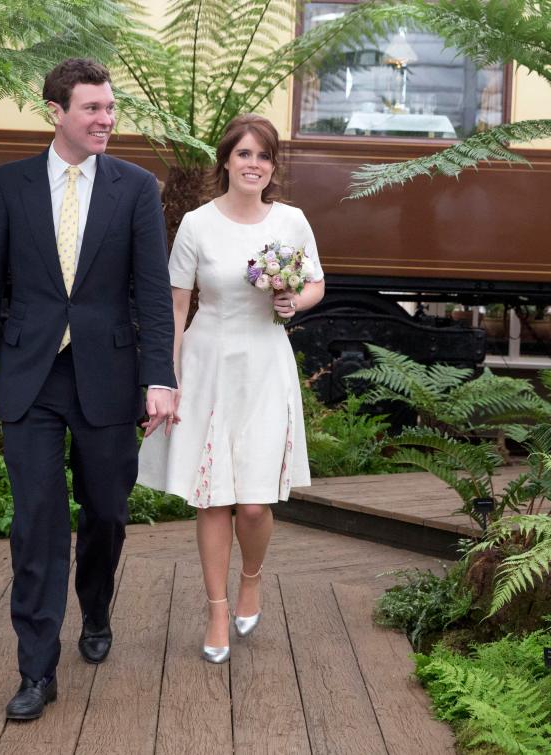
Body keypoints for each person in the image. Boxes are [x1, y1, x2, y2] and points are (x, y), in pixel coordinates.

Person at [0, 58, 176, 720]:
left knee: (106, 512)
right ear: (55, 111)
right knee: (37, 525)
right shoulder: (8, 185)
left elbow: (151, 292)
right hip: (31, 377)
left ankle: (99, 600)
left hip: (109, 377)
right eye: (92, 109)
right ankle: (36, 669)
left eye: (111, 109)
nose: (106, 119)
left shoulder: (137, 188)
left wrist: (160, 376)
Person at [137, 113, 324, 663]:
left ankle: (252, 577)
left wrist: (295, 301)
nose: (254, 165)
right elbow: (175, 306)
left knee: (252, 504)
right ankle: (217, 607)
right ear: (226, 160)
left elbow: (314, 282)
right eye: (244, 154)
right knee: (212, 497)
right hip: (208, 360)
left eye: (263, 156)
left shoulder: (291, 221)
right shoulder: (197, 224)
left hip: (265, 362)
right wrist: (165, 378)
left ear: (272, 167)